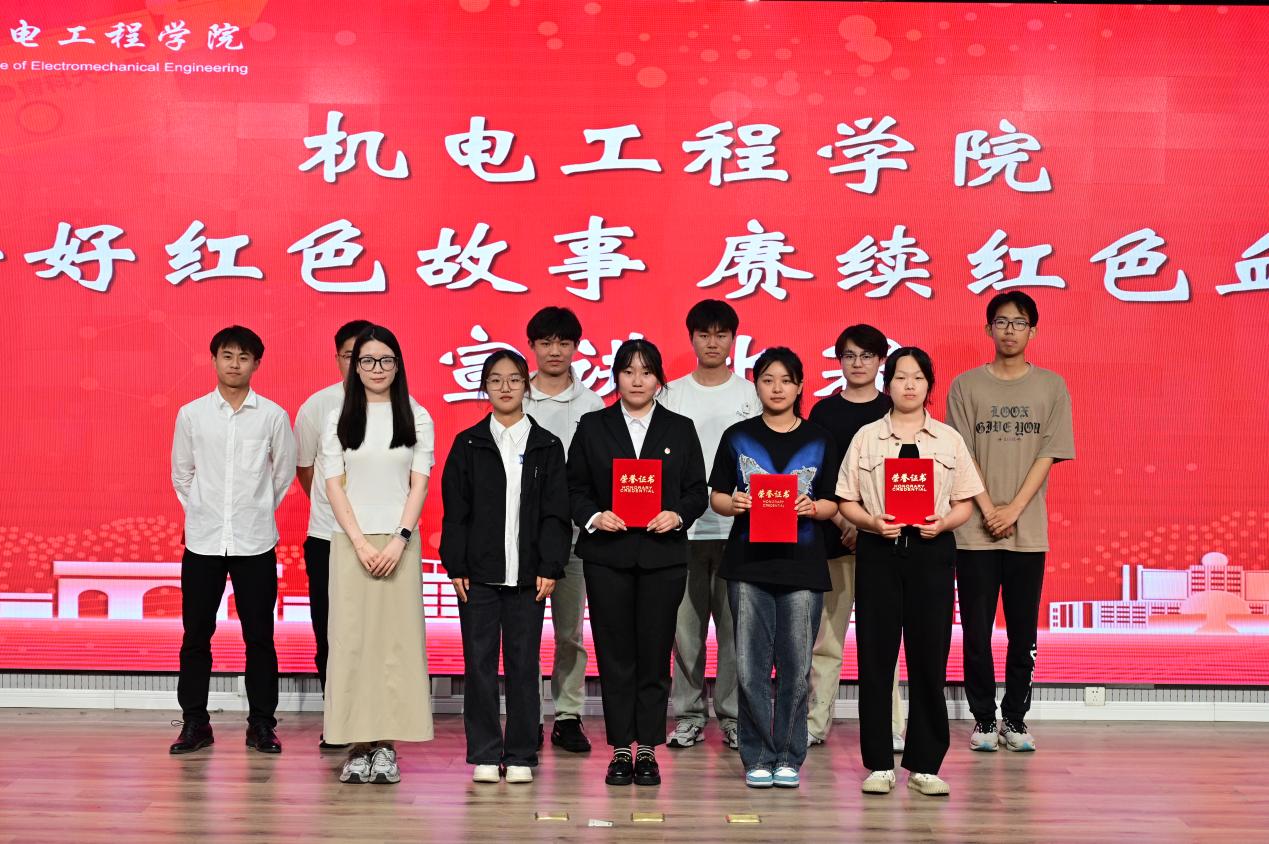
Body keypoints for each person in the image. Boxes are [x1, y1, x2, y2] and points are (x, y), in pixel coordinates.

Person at [837, 347, 983, 797]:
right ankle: (879, 763)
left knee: (929, 659)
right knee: (875, 660)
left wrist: (944, 522)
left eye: (918, 378)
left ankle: (925, 765)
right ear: (888, 384)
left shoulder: (948, 439)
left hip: (931, 552)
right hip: (879, 552)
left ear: (928, 385)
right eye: (900, 377)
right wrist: (870, 522)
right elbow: (846, 500)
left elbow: (965, 502)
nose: (909, 385)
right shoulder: (866, 437)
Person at [566, 338, 707, 787]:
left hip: (663, 557)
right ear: (616, 377)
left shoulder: (679, 428)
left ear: (658, 379)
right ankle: (620, 748)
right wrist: (594, 516)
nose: (637, 380)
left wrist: (677, 514)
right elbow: (574, 488)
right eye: (628, 371)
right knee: (615, 654)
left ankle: (647, 746)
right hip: (608, 556)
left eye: (646, 372)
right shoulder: (594, 426)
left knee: (654, 652)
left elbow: (696, 491)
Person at [946, 291, 1074, 753]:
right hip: (973, 533)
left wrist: (1014, 509)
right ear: (988, 329)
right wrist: (987, 509)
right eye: (1001, 322)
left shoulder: (1052, 387)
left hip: (1027, 530)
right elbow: (959, 456)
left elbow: (1048, 454)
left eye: (1019, 323)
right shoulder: (965, 386)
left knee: (1023, 634)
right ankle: (983, 720)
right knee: (976, 634)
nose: (1010, 330)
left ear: (1032, 331)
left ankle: (1015, 719)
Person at [709, 347, 838, 789]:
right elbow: (717, 496)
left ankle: (788, 755)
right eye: (768, 380)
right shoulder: (737, 436)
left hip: (802, 566)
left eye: (786, 380)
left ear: (800, 386)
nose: (777, 388)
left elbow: (834, 501)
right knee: (750, 667)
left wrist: (813, 507)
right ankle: (758, 756)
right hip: (748, 564)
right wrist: (734, 502)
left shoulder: (821, 438)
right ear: (757, 385)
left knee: (797, 666)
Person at [441, 350, 571, 785]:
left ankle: (520, 753)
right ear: (485, 387)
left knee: (523, 665)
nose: (505, 387)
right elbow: (456, 512)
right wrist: (455, 564)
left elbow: (556, 513)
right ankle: (483, 751)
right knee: (478, 665)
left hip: (529, 577)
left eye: (514, 379)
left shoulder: (546, 445)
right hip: (478, 577)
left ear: (526, 385)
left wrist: (550, 565)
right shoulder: (468, 443)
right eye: (495, 380)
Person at [169, 325, 296, 755]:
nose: (235, 364)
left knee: (259, 636)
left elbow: (282, 475)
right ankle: (194, 723)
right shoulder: (191, 414)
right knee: (195, 635)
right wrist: (204, 510)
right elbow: (182, 474)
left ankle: (262, 725)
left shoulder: (273, 416)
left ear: (256, 363)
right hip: (203, 542)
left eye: (244, 357)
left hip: (255, 541)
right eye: (227, 356)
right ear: (214, 360)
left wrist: (255, 510)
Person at [321, 325, 434, 784]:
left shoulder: (416, 415)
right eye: (366, 360)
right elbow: (333, 485)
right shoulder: (338, 417)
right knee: (351, 643)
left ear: (398, 365)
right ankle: (357, 744)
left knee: (395, 644)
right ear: (354, 366)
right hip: (351, 544)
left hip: (400, 544)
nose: (376, 368)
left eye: (386, 360)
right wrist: (361, 543)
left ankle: (386, 746)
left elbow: (419, 484)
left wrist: (399, 539)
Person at [660, 299, 759, 752]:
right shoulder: (671, 394)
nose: (712, 342)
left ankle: (734, 717)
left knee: (738, 633)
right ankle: (688, 715)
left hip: (740, 532)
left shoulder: (752, 395)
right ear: (692, 339)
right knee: (685, 633)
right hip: (681, 532)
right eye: (704, 334)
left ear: (733, 339)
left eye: (721, 334)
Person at [806, 325, 906, 752]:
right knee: (826, 640)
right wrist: (843, 519)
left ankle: (891, 726)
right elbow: (815, 476)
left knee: (882, 640)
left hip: (884, 539)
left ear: (882, 360)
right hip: (833, 538)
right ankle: (815, 723)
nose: (858, 363)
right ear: (839, 361)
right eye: (849, 355)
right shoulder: (823, 413)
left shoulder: (895, 408)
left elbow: (904, 477)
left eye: (867, 355)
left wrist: (865, 521)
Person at [523, 306, 604, 753]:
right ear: (532, 347)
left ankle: (568, 714)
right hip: (522, 538)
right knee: (524, 630)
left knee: (570, 632)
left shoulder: (592, 405)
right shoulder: (516, 398)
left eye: (564, 343)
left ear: (576, 347)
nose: (555, 351)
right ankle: (528, 715)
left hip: (575, 538)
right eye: (546, 342)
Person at [293, 319, 370, 749]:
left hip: (379, 540)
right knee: (329, 631)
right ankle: (337, 717)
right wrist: (336, 512)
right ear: (337, 358)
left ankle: (374, 721)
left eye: (369, 356)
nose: (359, 364)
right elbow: (305, 468)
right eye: (350, 355)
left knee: (373, 631)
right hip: (327, 537)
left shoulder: (401, 407)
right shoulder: (317, 407)